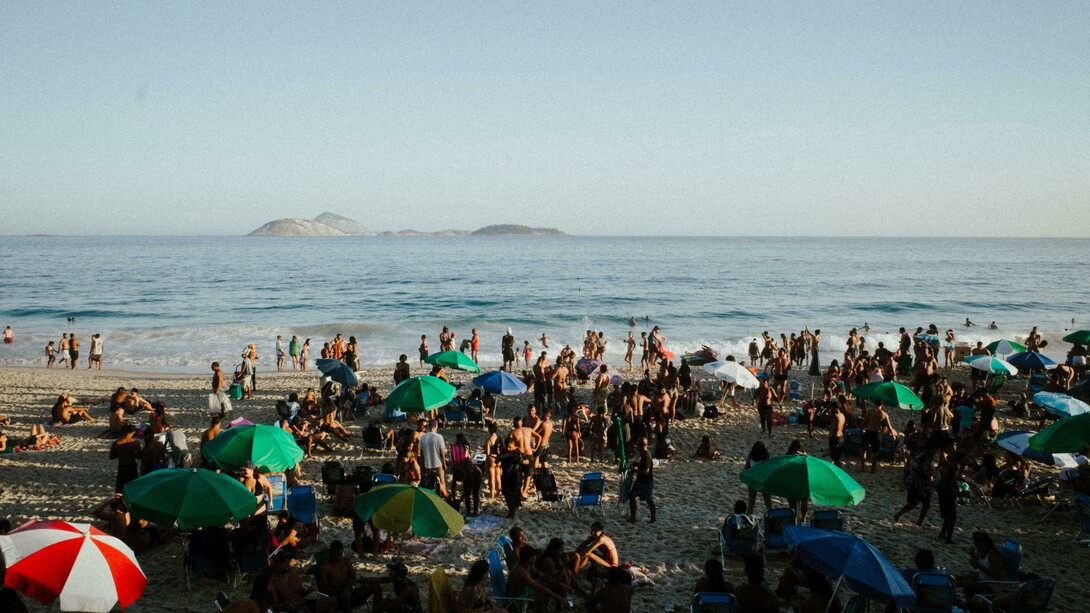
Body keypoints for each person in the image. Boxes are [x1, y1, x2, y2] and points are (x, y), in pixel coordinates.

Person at [316, 540, 366, 613]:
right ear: (331, 552)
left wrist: (349, 585)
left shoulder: (346, 562)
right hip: (336, 595)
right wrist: (341, 589)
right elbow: (324, 588)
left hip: (349, 589)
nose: (340, 556)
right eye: (337, 554)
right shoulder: (325, 567)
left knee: (374, 586)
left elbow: (353, 577)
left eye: (341, 553)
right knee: (345, 595)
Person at [627, 437, 656, 523]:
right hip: (640, 481)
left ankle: (653, 518)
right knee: (632, 497)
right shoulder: (643, 454)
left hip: (645, 482)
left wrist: (635, 470)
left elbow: (646, 471)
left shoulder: (646, 456)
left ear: (641, 446)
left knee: (648, 499)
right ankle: (633, 518)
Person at [860, 402, 895, 473]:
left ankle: (862, 467)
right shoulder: (884, 414)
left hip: (868, 432)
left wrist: (861, 430)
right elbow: (889, 426)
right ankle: (872, 469)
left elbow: (864, 422)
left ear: (874, 404)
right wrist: (893, 435)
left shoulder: (869, 412)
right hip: (876, 434)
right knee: (875, 452)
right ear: (882, 405)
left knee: (863, 450)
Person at [418, 420, 448, 497]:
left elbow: (421, 454)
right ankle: (443, 497)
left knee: (429, 482)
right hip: (437, 463)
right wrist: (444, 464)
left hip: (427, 464)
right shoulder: (439, 437)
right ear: (436, 426)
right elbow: (442, 453)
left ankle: (431, 496)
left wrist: (422, 465)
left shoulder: (422, 437)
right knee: (442, 481)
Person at [110, 424, 142, 493]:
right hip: (132, 466)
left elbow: (111, 456)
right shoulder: (135, 443)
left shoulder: (116, 443)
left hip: (121, 467)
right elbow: (139, 456)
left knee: (120, 489)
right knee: (133, 488)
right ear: (133, 432)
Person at [745, 441, 773, 514]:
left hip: (752, 480)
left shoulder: (751, 457)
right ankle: (771, 516)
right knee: (768, 502)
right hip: (763, 480)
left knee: (751, 502)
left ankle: (748, 516)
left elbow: (746, 467)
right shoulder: (765, 458)